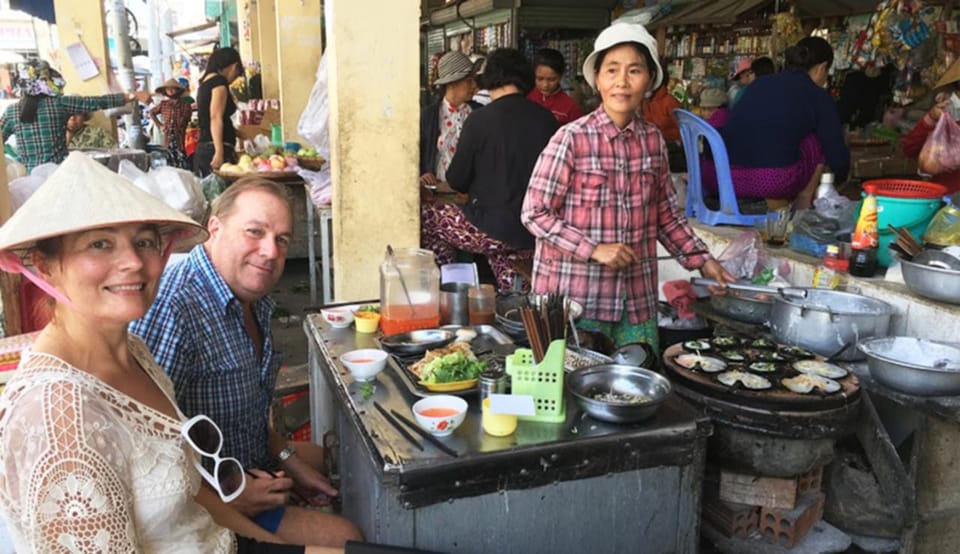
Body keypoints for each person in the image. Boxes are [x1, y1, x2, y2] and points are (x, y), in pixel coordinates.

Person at [0, 151, 342, 553]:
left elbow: (184, 487)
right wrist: (239, 494)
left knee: (338, 469)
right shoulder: (57, 416)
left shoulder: (134, 352)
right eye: (99, 244)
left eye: (143, 241)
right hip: (230, 499)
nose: (132, 262)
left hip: (222, 524)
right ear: (43, 266)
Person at [131, 177, 362, 547]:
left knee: (335, 461)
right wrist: (230, 493)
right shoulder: (175, 307)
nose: (270, 252)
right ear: (215, 229)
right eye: (255, 232)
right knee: (347, 537)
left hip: (249, 464)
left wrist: (289, 460)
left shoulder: (248, 300)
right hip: (204, 499)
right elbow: (146, 452)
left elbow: (247, 419)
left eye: (282, 240)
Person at [521, 23, 733, 353]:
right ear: (598, 79)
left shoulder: (653, 141)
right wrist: (593, 248)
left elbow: (666, 215)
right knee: (574, 394)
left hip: (634, 299)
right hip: (576, 301)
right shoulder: (571, 138)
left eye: (634, 70)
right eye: (612, 70)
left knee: (635, 392)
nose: (622, 81)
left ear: (649, 80)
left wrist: (703, 260)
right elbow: (534, 213)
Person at [421, 48, 558, 293]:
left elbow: (457, 180)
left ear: (490, 78)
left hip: (491, 229)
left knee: (427, 218)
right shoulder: (547, 120)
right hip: (535, 229)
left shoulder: (479, 119)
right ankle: (513, 296)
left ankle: (451, 290)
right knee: (508, 258)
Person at [716, 36, 848, 209]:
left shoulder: (759, 84)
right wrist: (841, 178)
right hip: (773, 182)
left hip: (726, 178)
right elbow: (836, 153)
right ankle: (802, 203)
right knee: (815, 140)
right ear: (822, 68)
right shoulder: (818, 96)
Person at [0, 60, 151, 171]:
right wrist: (133, 95)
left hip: (30, 179)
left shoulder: (12, 112)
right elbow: (97, 102)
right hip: (59, 174)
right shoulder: (60, 104)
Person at [419, 50, 482, 189]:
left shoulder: (479, 114)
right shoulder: (428, 117)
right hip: (437, 195)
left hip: (471, 196)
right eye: (469, 81)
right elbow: (416, 154)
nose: (474, 86)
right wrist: (422, 175)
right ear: (452, 84)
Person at [196, 47, 243, 176]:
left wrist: (239, 134)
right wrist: (219, 152)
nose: (235, 78)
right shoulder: (219, 83)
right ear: (234, 66)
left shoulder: (205, 82)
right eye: (238, 73)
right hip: (214, 147)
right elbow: (215, 117)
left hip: (206, 146)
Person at [527, 48, 584, 125]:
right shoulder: (527, 99)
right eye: (540, 79)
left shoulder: (571, 108)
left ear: (560, 76)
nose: (545, 85)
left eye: (552, 79)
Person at [150, 78, 194, 168]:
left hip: (181, 136)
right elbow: (152, 113)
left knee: (182, 157)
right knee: (169, 158)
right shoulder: (163, 104)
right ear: (165, 91)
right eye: (168, 89)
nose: (170, 90)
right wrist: (160, 126)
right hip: (168, 136)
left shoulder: (185, 104)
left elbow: (188, 118)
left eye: (173, 88)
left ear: (178, 90)